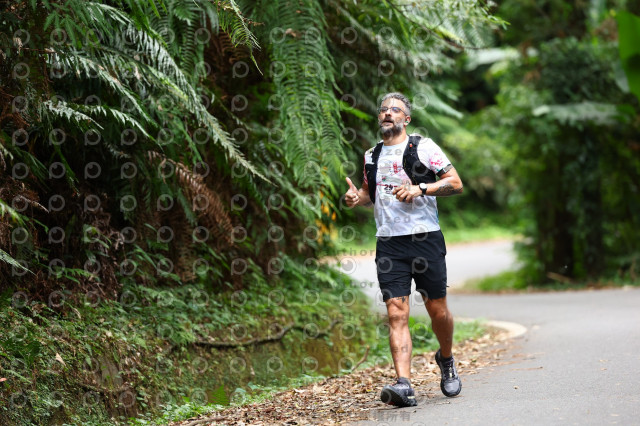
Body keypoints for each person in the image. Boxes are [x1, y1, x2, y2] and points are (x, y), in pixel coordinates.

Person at [344, 92, 464, 407]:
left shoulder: (424, 147)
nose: (388, 113)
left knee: (438, 311)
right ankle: (404, 384)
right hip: (389, 243)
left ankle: (446, 358)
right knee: (396, 312)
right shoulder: (371, 155)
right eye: (383, 109)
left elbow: (455, 183)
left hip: (425, 238)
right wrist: (356, 198)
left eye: (395, 109)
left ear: (406, 119)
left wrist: (420, 188)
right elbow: (369, 193)